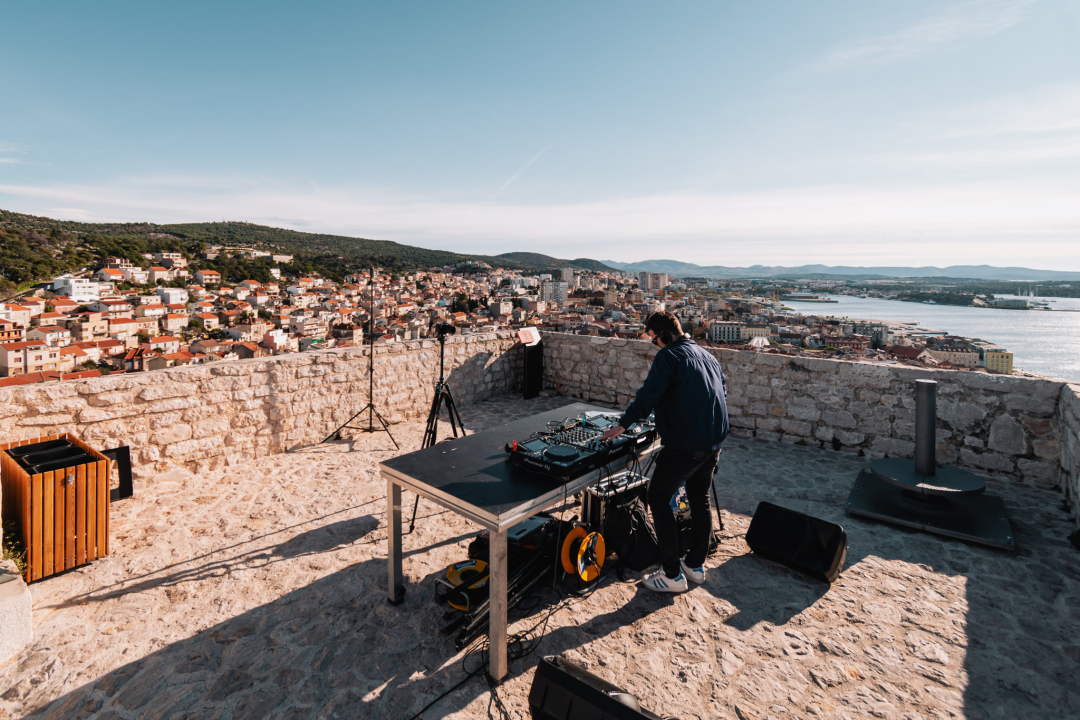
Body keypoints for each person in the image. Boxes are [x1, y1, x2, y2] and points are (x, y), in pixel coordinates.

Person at [600, 311, 729, 593]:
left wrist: (621, 426)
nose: (654, 345)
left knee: (658, 498)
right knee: (700, 500)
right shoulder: (707, 355)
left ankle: (671, 574)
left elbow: (648, 396)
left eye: (654, 340)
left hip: (686, 445)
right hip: (713, 442)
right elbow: (722, 392)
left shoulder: (669, 356)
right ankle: (694, 566)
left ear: (666, 336)